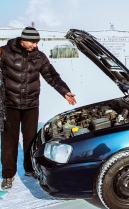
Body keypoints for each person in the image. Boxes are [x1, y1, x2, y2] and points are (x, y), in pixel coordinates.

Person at [0, 27, 76, 190]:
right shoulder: (4, 53)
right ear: (23, 40)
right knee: (8, 142)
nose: (35, 45)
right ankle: (7, 175)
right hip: (9, 105)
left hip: (31, 104)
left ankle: (29, 169)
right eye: (33, 42)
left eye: (37, 42)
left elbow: (52, 76)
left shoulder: (39, 57)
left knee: (30, 140)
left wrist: (64, 91)